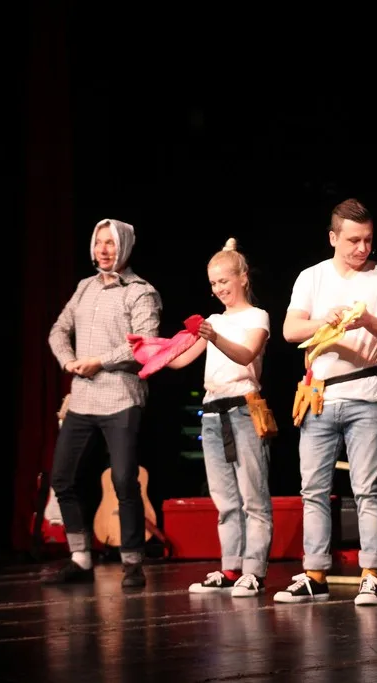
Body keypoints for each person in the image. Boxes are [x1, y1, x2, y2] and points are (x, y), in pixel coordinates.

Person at [277, 198, 377, 606]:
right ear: (333, 237)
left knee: (367, 487)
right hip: (319, 396)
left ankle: (371, 574)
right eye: (353, 240)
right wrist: (326, 320)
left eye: (368, 240)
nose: (362, 248)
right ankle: (315, 574)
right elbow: (290, 330)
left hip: (366, 395)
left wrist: (367, 320)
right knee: (313, 489)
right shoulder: (312, 277)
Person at [42, 218, 162, 588]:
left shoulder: (141, 292)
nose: (104, 250)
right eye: (99, 242)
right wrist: (68, 361)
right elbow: (59, 330)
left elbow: (145, 343)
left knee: (124, 479)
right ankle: (80, 558)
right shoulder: (85, 287)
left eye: (111, 243)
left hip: (121, 397)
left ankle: (132, 563)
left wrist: (100, 361)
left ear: (124, 246)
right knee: (63, 478)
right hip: (82, 398)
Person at [159, 238, 274, 598]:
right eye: (213, 283)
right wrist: (148, 351)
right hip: (212, 412)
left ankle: (254, 571)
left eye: (224, 280)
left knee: (253, 496)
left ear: (242, 277)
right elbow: (181, 359)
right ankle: (230, 567)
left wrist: (215, 336)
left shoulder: (257, 317)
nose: (219, 289)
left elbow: (246, 354)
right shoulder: (213, 321)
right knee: (225, 499)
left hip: (243, 407)